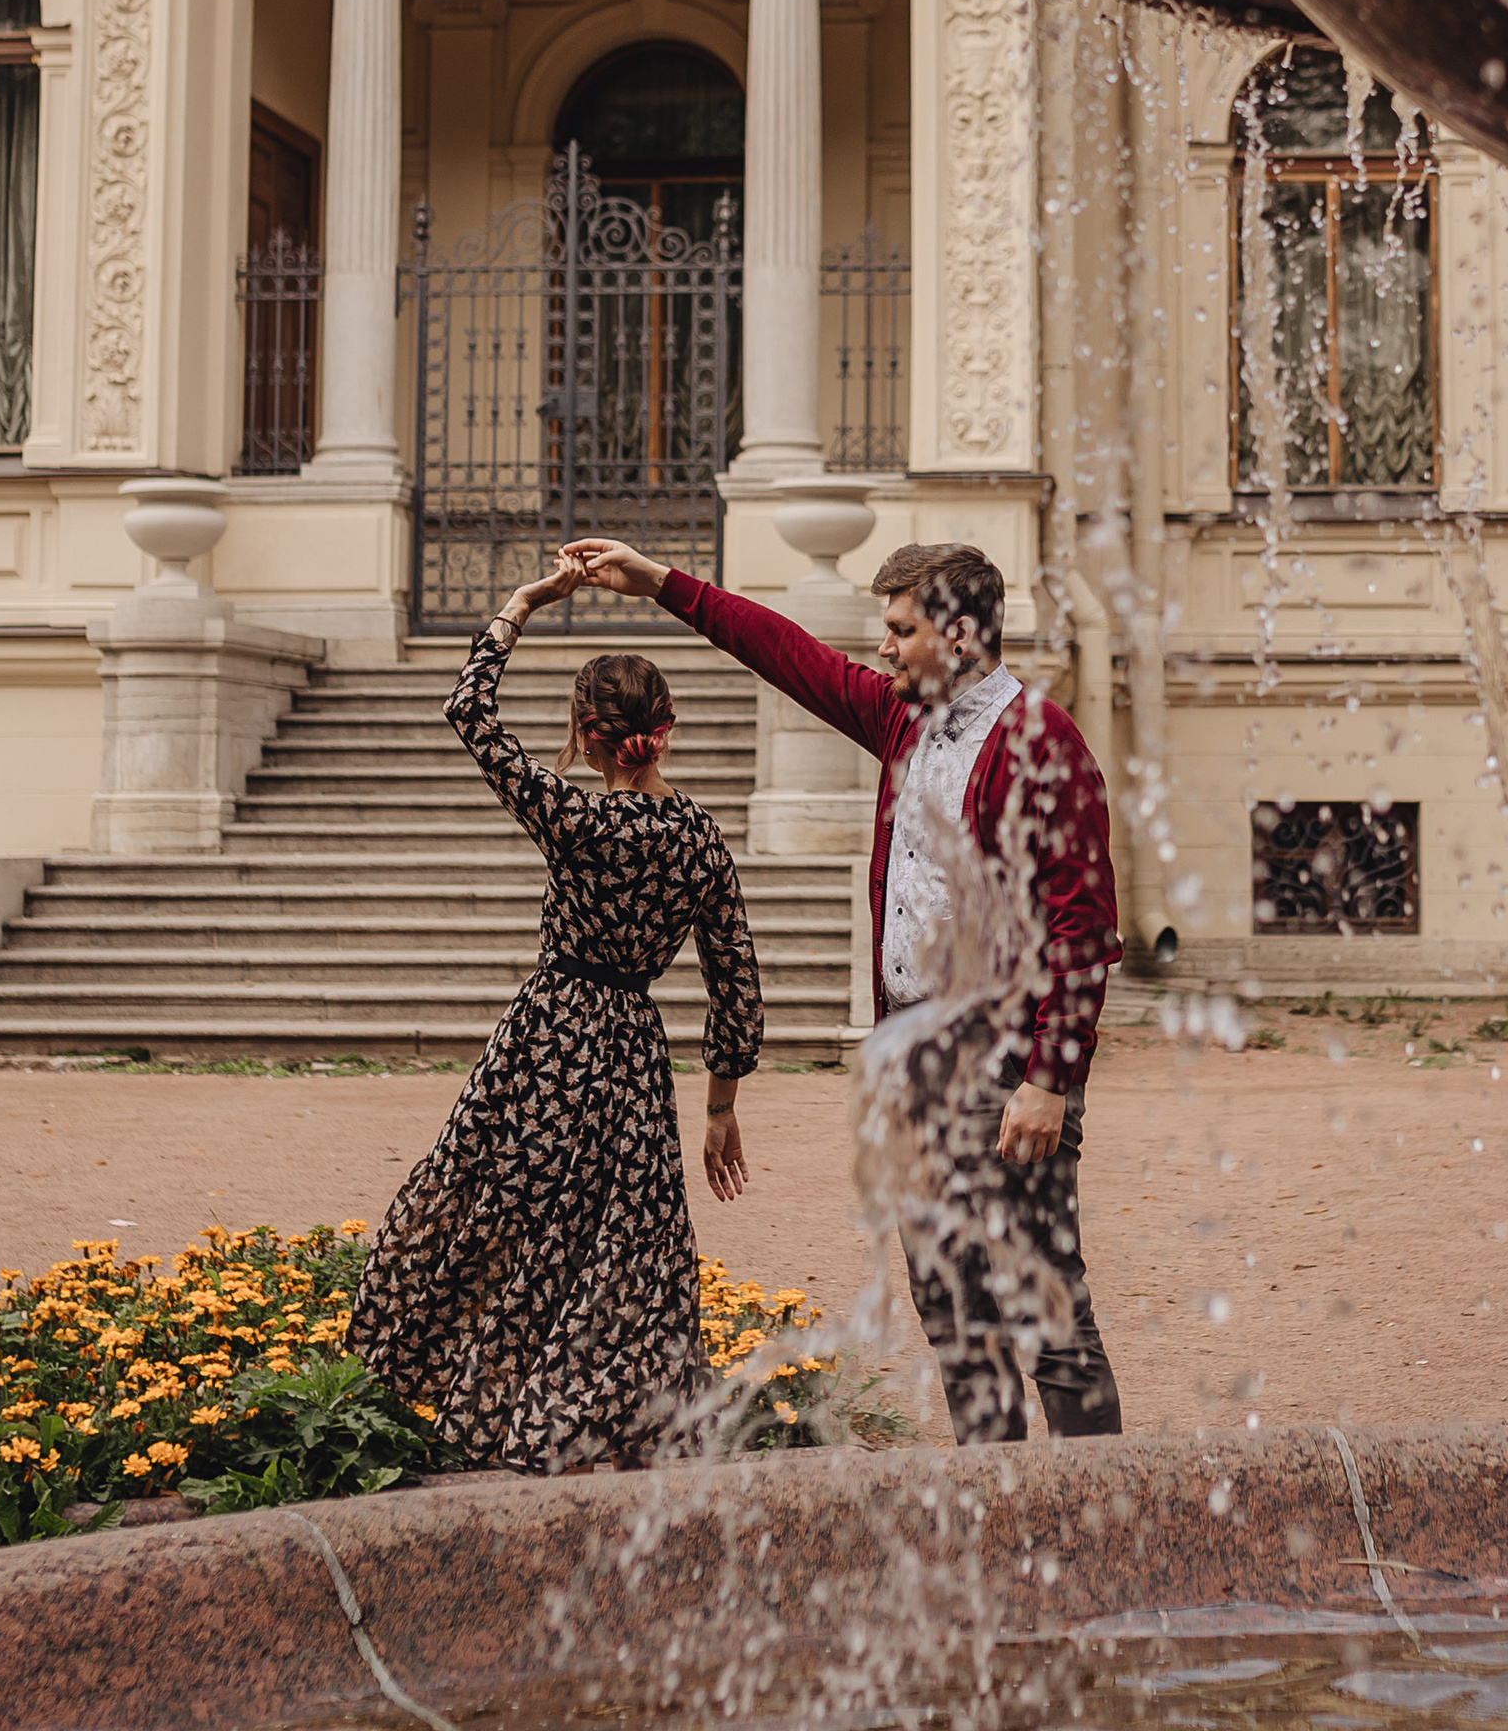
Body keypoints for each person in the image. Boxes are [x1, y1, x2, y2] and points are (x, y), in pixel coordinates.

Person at [564, 531, 1124, 1445]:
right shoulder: (903, 719)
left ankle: (1103, 1529)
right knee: (952, 1310)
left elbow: (1081, 929)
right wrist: (659, 583)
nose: (882, 646)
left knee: (1046, 1311)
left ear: (961, 634)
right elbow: (790, 655)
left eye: (900, 629)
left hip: (1001, 1068)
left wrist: (1049, 1082)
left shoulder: (1039, 741)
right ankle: (999, 1517)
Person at [349, 554, 764, 1471]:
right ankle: (610, 1414)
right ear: (667, 732)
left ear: (585, 735)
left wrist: (525, 604)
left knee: (504, 1211)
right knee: (625, 1239)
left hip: (548, 1038)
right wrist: (722, 1104)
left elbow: (468, 714)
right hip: (632, 1051)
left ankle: (480, 1400)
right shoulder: (699, 837)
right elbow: (734, 974)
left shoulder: (573, 820)